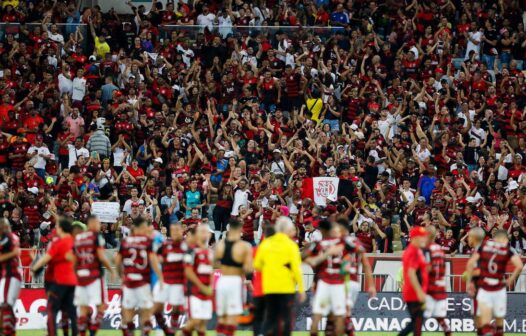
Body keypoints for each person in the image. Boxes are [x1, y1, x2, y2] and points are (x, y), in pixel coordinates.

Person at [254, 216, 306, 336]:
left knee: (271, 317)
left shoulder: (266, 243)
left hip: (269, 287)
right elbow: (296, 269)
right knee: (286, 318)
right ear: (287, 230)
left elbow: (257, 265)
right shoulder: (291, 245)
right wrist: (302, 289)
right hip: (286, 288)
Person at [466, 229, 524, 336]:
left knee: (485, 323)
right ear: (504, 239)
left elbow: (470, 264)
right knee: (499, 324)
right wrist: (509, 280)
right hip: (499, 288)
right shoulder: (507, 250)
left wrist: (470, 282)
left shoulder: (484, 246)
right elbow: (520, 266)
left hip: (484, 288)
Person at [114, 217, 164, 336]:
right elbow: (153, 260)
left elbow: (117, 261)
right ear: (141, 227)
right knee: (145, 315)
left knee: (127, 316)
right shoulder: (147, 241)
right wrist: (161, 278)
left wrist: (122, 275)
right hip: (143, 282)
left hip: (129, 282)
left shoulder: (125, 242)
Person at [31, 218, 78, 336]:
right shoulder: (74, 241)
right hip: (73, 282)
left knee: (52, 310)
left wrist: (34, 267)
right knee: (72, 313)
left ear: (61, 228)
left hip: (60, 282)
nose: (55, 229)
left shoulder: (59, 242)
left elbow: (46, 259)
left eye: (57, 226)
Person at [73, 215, 116, 336]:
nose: (99, 225)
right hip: (94, 275)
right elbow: (101, 256)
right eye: (98, 223)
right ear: (92, 223)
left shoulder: (78, 238)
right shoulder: (96, 236)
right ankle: (92, 330)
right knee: (102, 305)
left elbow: (74, 259)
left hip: (80, 276)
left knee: (83, 308)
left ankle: (82, 333)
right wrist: (111, 270)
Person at [214, 218, 253, 336]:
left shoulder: (220, 244)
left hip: (222, 281)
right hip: (235, 281)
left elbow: (215, 263)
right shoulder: (245, 246)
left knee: (222, 316)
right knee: (232, 316)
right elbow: (249, 269)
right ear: (240, 229)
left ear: (229, 229)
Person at [153, 222, 188, 336]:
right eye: (173, 231)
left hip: (179, 283)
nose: (175, 233)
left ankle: (172, 330)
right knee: (156, 309)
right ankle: (167, 330)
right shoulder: (164, 245)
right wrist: (159, 272)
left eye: (177, 230)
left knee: (176, 309)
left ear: (182, 231)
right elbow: (155, 258)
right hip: (165, 281)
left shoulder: (187, 246)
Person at [182, 224, 214, 336]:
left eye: (207, 232)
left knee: (202, 324)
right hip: (193, 292)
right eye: (202, 232)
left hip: (206, 292)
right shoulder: (191, 250)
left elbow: (210, 271)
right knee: (194, 321)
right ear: (197, 234)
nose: (206, 234)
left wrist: (210, 287)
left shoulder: (209, 252)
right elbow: (187, 271)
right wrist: (202, 287)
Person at [399, 226, 429, 336]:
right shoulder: (414, 252)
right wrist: (420, 292)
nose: (424, 239)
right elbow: (412, 273)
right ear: (414, 238)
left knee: (417, 323)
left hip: (414, 292)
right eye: (422, 237)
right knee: (417, 323)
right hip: (414, 293)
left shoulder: (414, 250)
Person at [423, 226, 451, 336]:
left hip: (429, 288)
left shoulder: (426, 249)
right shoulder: (440, 249)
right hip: (440, 288)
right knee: (440, 319)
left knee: (418, 318)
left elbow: (427, 269)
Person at [0, 218, 22, 336]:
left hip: (11, 274)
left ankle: (7, 332)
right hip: (8, 275)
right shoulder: (5, 238)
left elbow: (15, 252)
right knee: (5, 307)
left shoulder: (9, 237)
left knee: (5, 305)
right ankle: (9, 332)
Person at [465, 227, 485, 332]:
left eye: (468, 236)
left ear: (473, 237)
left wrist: (470, 275)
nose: (468, 239)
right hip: (483, 289)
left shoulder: (480, 251)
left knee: (479, 319)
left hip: (480, 289)